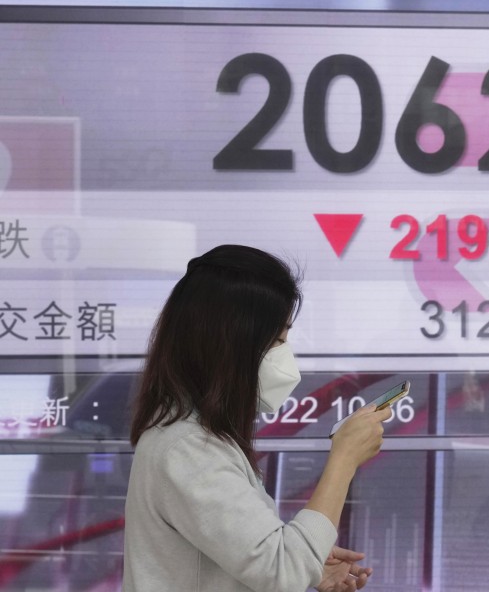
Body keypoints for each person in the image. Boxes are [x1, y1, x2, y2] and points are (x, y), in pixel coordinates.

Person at [123, 245, 391, 592]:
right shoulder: (189, 449)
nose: (286, 354)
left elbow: (255, 557)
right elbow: (282, 571)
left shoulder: (194, 436)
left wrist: (305, 558)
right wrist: (344, 460)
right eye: (277, 340)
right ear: (231, 345)